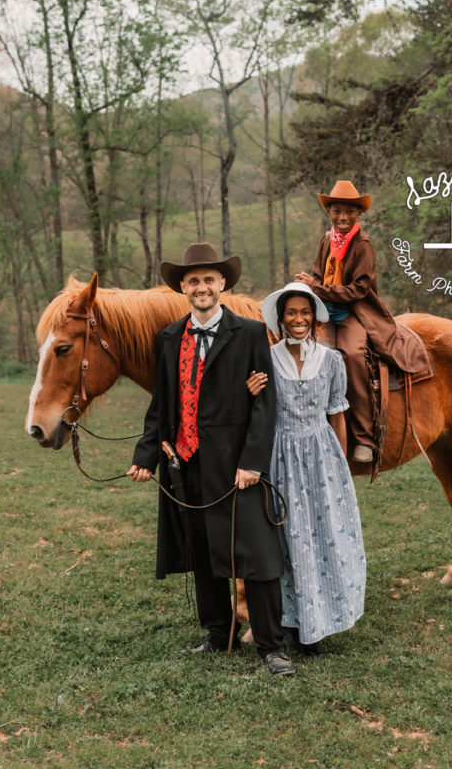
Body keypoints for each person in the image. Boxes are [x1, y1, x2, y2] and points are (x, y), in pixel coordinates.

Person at [128, 242, 295, 678]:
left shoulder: (252, 334)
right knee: (202, 551)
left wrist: (253, 462)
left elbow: (266, 405)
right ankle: (218, 632)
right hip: (186, 463)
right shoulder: (168, 339)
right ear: (183, 287)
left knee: (255, 554)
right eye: (193, 280)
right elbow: (161, 405)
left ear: (222, 284)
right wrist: (146, 455)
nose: (201, 287)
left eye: (209, 279)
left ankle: (271, 646)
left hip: (237, 465)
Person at [247, 282, 366, 657]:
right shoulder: (266, 358)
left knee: (322, 534)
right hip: (280, 454)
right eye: (291, 313)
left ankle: (320, 623)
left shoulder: (331, 360)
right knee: (287, 539)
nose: (298, 319)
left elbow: (337, 415)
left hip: (320, 453)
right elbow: (257, 411)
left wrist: (341, 466)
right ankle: (290, 623)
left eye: (304, 312)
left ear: (313, 317)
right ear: (281, 319)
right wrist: (249, 391)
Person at [295, 180, 424, 464]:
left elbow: (359, 289)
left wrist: (318, 288)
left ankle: (365, 438)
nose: (342, 217)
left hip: (355, 312)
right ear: (329, 212)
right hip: (325, 310)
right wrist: (309, 283)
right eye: (337, 211)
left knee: (352, 355)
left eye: (349, 212)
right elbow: (319, 275)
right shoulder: (326, 241)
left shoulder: (362, 244)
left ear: (359, 214)